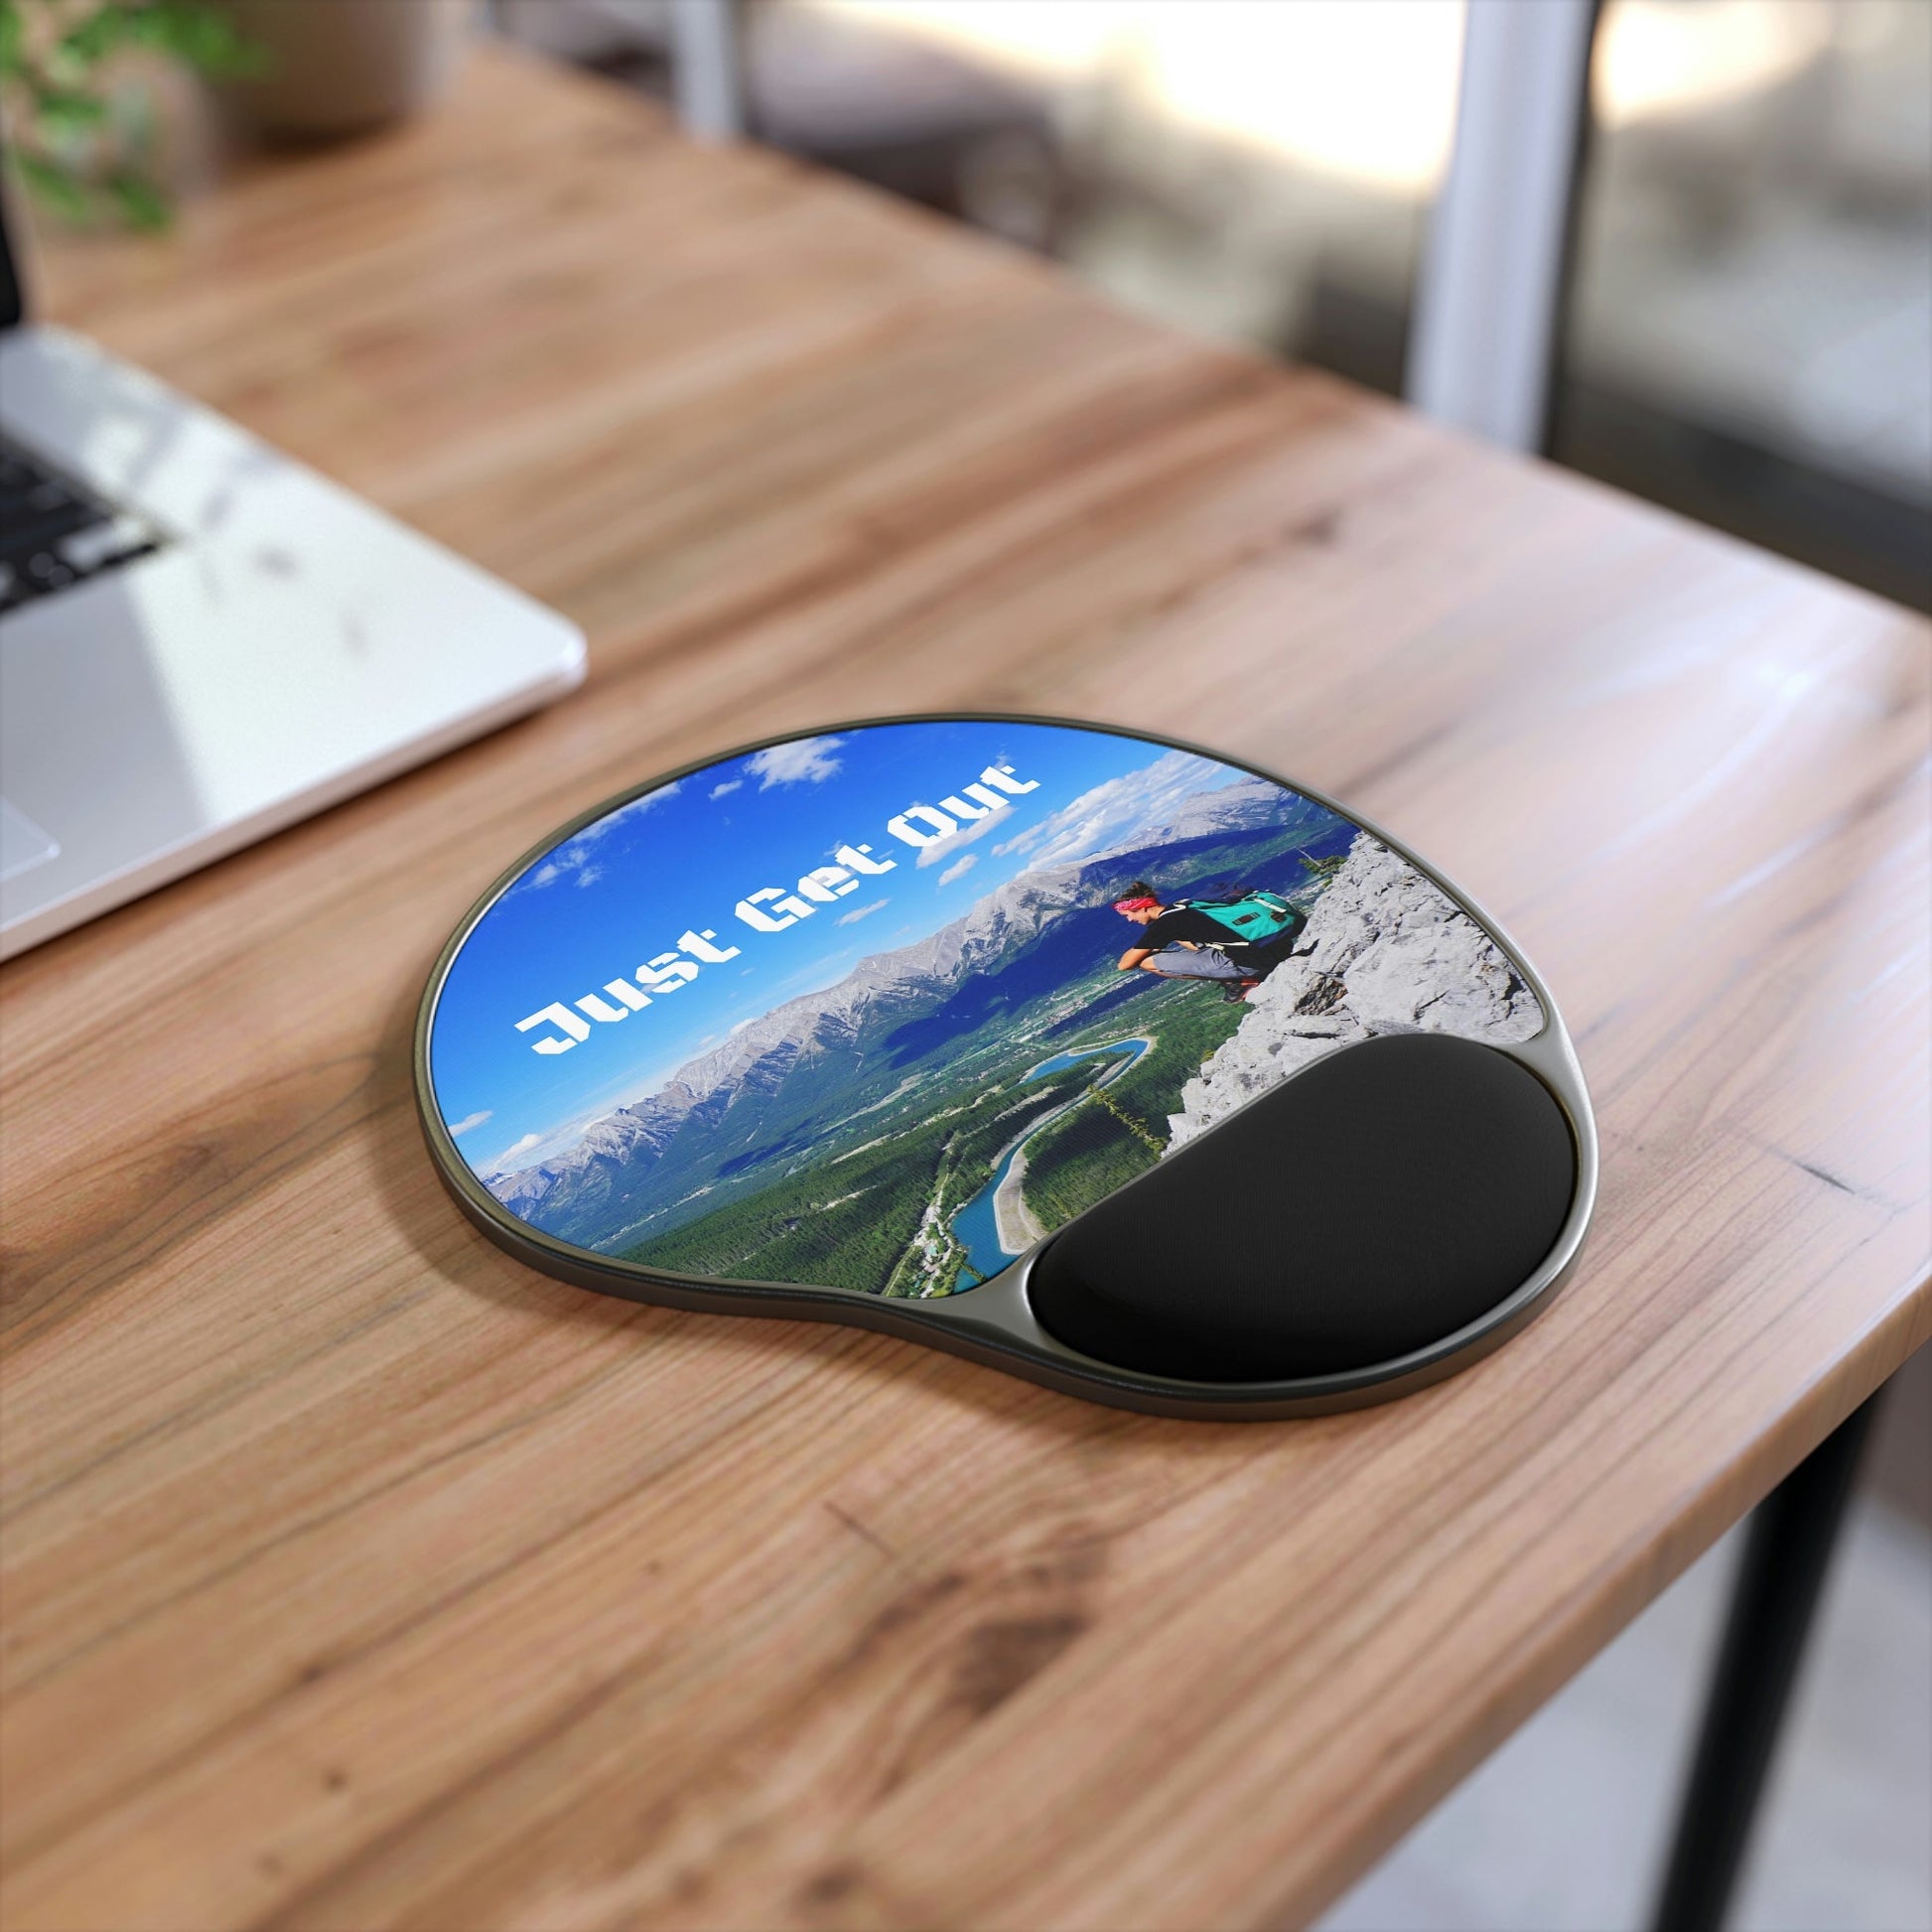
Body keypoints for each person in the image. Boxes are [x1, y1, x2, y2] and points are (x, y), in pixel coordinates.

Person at [1112, 882, 1265, 1002]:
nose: (1130, 920)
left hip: (1251, 964)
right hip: (1269, 948)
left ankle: (1238, 981)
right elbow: (1195, 946)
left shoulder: (1165, 924)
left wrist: (1150, 949)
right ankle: (1240, 975)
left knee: (1145, 962)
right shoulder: (1182, 906)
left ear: (1142, 907)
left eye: (1128, 915)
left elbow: (1124, 965)